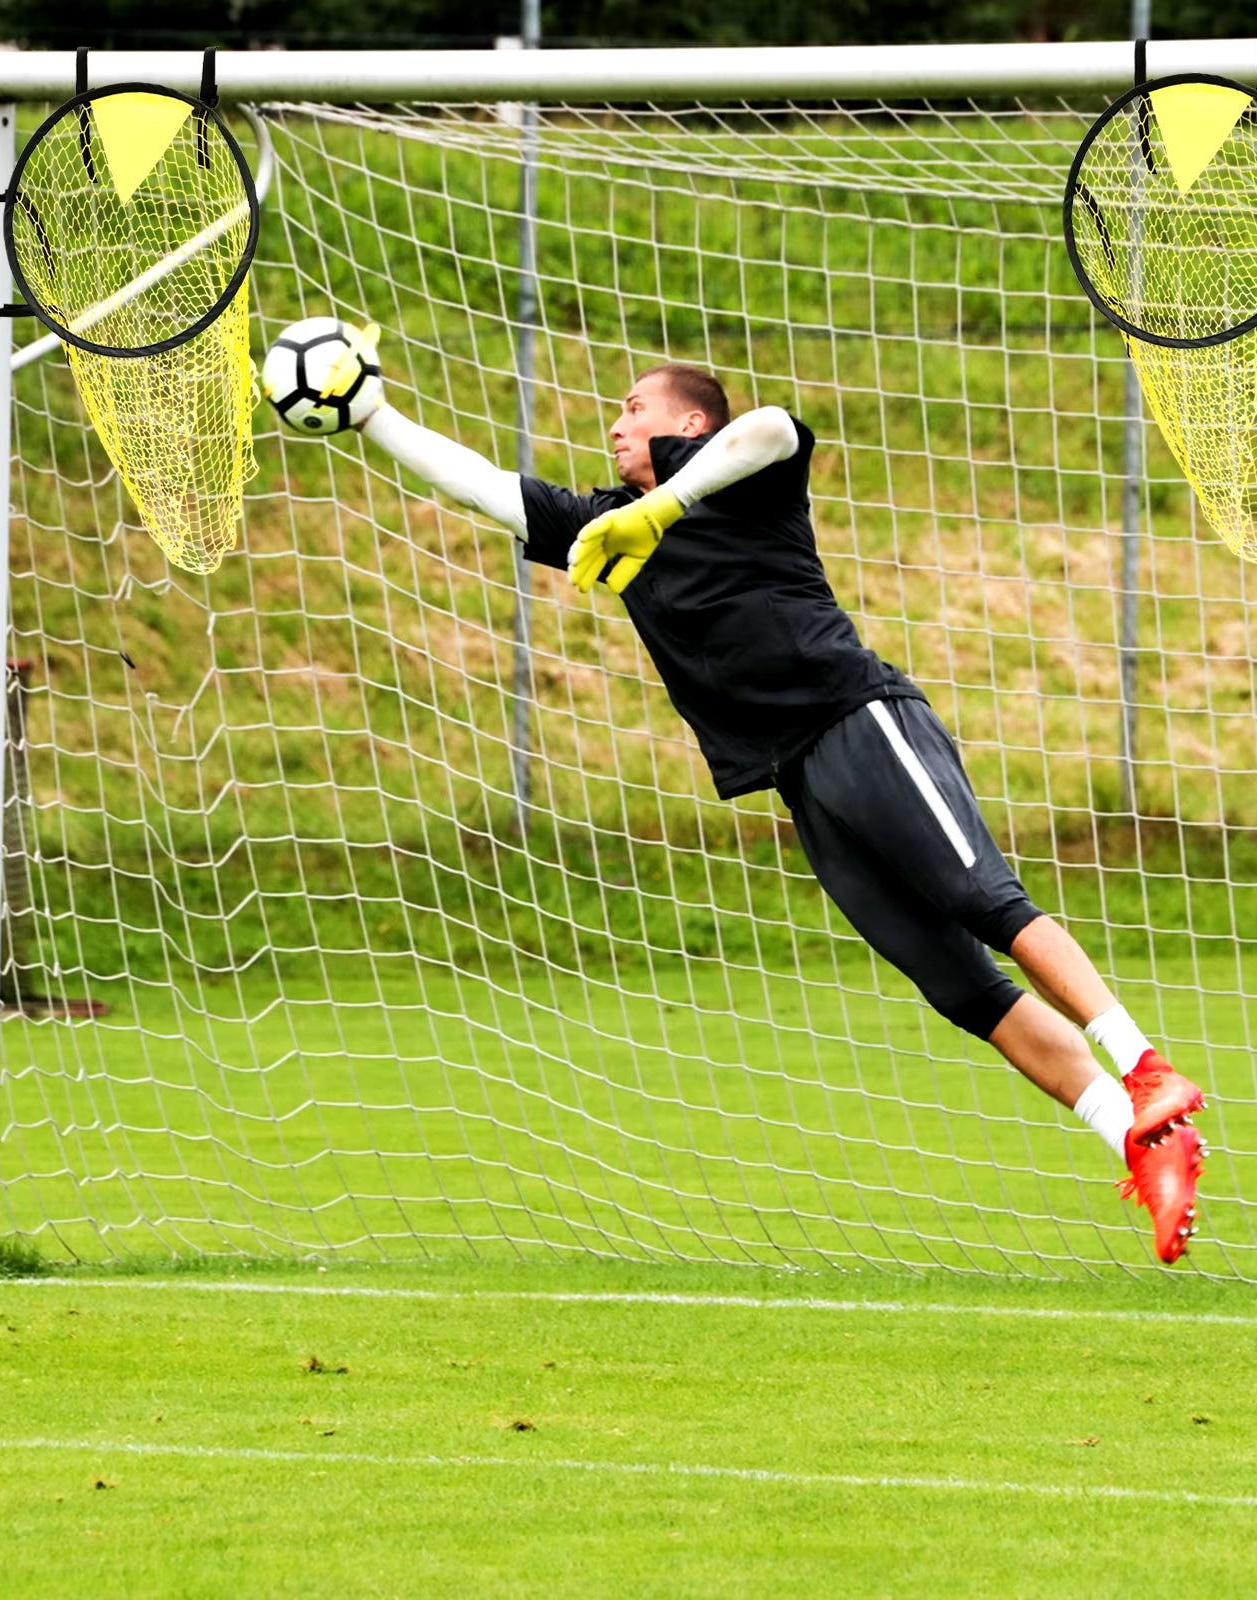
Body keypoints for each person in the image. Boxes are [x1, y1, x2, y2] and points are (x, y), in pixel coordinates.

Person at [355, 354, 1208, 1264]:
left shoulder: (738, 484)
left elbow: (773, 428)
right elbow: (486, 487)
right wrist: (371, 415)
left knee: (985, 903)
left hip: (860, 720)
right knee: (960, 988)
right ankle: (1138, 1137)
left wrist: (663, 506)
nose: (614, 425)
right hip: (799, 778)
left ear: (688, 427)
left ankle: (1146, 1062)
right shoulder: (605, 526)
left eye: (635, 408)